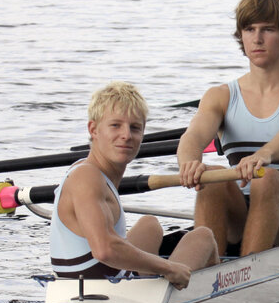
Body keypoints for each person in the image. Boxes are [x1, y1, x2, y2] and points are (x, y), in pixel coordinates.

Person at [178, 0, 279, 257]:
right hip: (242, 208)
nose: (257, 39)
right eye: (249, 29)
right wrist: (188, 163)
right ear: (241, 36)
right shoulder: (220, 96)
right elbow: (193, 135)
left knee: (266, 178)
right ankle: (207, 271)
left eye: (268, 29)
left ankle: (245, 273)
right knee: (212, 175)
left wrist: (264, 154)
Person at [50, 82, 218, 289]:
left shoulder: (84, 168)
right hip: (101, 295)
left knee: (150, 224)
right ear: (93, 129)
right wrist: (169, 268)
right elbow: (104, 250)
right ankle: (212, 296)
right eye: (115, 125)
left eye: (135, 127)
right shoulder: (87, 176)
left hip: (95, 284)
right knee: (203, 237)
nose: (127, 135)